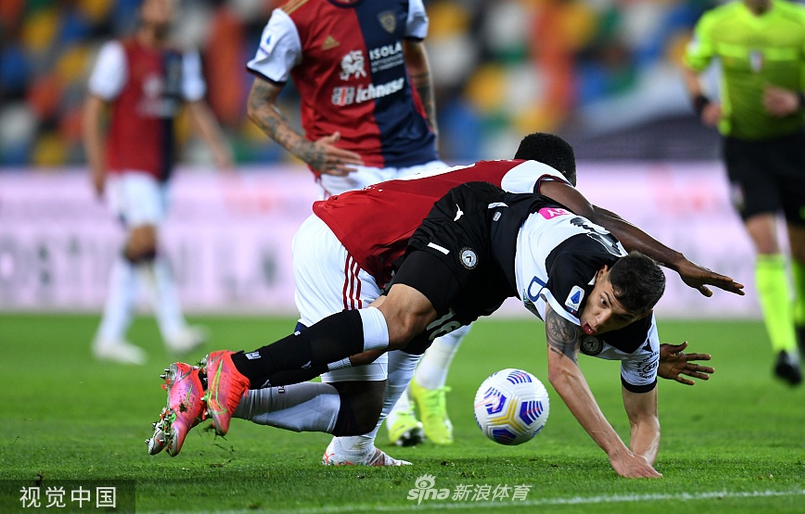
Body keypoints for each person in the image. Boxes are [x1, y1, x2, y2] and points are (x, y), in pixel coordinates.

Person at [147, 137, 743, 475]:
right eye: (566, 189)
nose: (569, 201)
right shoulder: (533, 182)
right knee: (391, 329)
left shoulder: (526, 233)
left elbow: (589, 314)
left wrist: (631, 350)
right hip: (360, 245)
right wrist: (678, 261)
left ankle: (218, 393)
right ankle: (233, 371)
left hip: (402, 255)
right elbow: (594, 221)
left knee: (372, 395)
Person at [243, 0, 463, 448]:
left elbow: (416, 58)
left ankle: (423, 389)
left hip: (415, 156)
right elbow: (258, 103)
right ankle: (379, 419)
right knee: (374, 310)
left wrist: (429, 123)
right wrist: (306, 149)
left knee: (466, 265)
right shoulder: (292, 20)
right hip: (349, 168)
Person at [681, 0, 805, 385]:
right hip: (744, 150)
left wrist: (801, 99)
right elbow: (690, 66)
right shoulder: (717, 24)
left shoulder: (803, 24)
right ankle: (785, 350)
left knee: (801, 251)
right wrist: (702, 102)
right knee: (767, 247)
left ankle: (804, 315)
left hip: (793, 148)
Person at [82, 0, 233, 365]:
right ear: (143, 10)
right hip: (127, 164)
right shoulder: (120, 54)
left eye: (170, 5)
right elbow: (93, 109)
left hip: (162, 167)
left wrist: (218, 147)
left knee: (139, 246)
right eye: (157, 4)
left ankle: (109, 336)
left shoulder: (181, 57)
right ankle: (173, 328)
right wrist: (96, 164)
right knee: (146, 239)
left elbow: (195, 105)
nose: (164, 10)